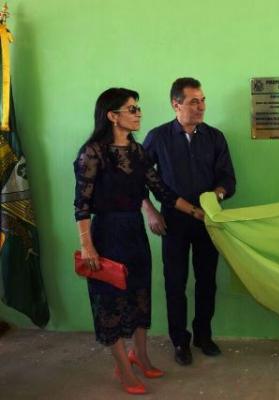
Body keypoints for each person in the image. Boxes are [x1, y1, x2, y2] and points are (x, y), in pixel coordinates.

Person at [74, 88, 204, 394]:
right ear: (112, 116)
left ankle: (141, 356)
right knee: (111, 303)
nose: (138, 113)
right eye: (132, 109)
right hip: (105, 234)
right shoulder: (92, 153)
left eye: (138, 108)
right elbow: (81, 204)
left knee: (140, 296)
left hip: (135, 232)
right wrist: (86, 244)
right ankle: (123, 368)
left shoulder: (137, 151)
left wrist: (196, 212)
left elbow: (163, 192)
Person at [142, 77, 236, 366]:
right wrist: (149, 211)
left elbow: (228, 179)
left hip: (208, 221)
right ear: (176, 104)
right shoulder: (158, 137)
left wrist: (217, 195)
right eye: (194, 101)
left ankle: (203, 336)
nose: (201, 106)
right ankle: (179, 341)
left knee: (207, 281)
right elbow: (136, 178)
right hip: (173, 223)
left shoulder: (215, 137)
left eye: (203, 100)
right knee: (175, 283)